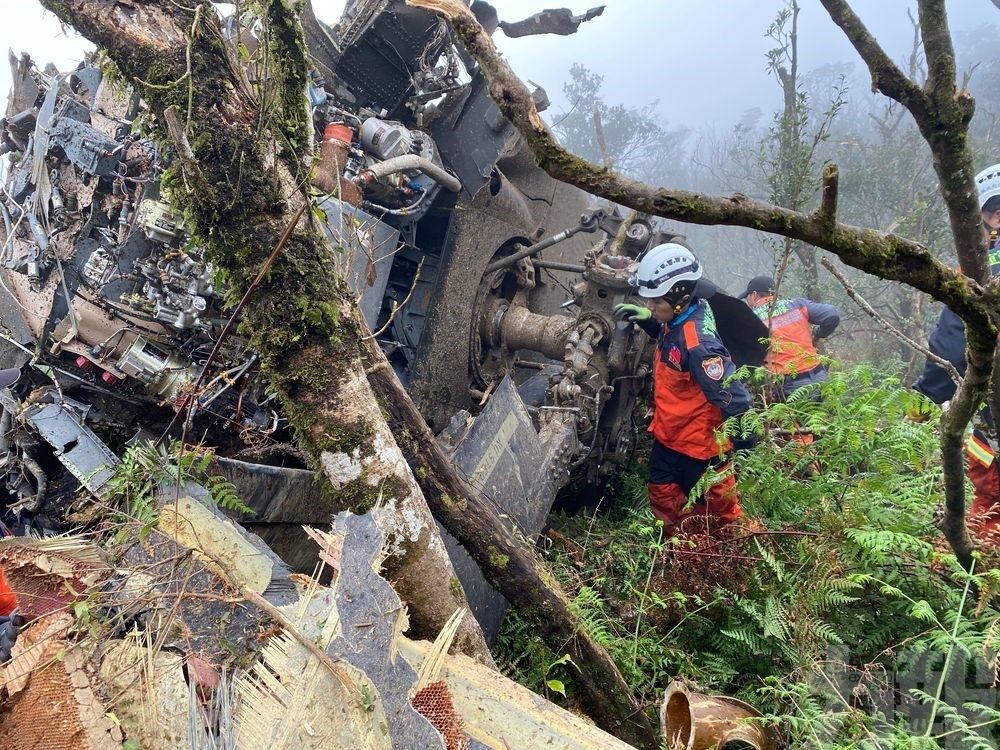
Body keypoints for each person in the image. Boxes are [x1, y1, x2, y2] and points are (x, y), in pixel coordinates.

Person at [614, 243, 754, 533]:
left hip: (700, 448)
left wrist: (743, 445)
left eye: (656, 303)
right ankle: (679, 548)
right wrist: (650, 323)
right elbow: (672, 342)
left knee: (720, 513)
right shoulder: (679, 315)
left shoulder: (700, 345)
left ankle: (718, 554)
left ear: (682, 297)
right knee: (662, 495)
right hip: (669, 435)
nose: (650, 307)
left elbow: (734, 397)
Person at [913, 163, 1000, 530]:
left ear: (993, 216)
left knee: (989, 507)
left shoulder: (982, 271)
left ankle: (982, 579)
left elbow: (951, 344)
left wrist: (924, 399)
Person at [739, 276, 840, 399]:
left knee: (798, 418)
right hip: (820, 375)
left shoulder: (750, 319)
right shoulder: (797, 305)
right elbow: (832, 315)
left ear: (754, 295)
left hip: (791, 385)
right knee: (827, 417)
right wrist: (819, 334)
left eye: (747, 297)